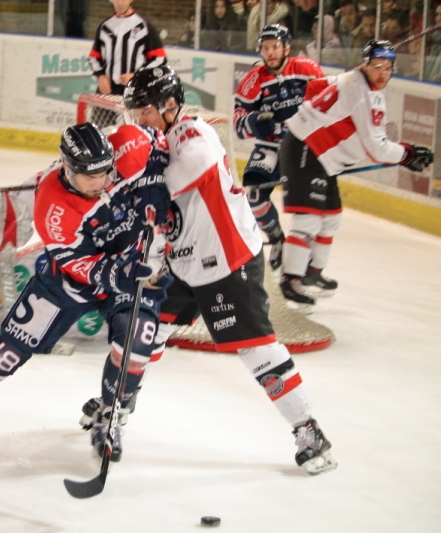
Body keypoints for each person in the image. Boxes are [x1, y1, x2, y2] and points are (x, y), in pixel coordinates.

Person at [114, 65, 338, 476]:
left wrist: (143, 181)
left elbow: (187, 170)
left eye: (143, 111)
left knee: (256, 349)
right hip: (182, 262)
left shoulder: (195, 133)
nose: (138, 120)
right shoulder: (160, 141)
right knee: (146, 327)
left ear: (168, 105)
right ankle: (120, 402)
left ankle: (308, 430)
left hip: (227, 262)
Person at [0, 122, 173, 463]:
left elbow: (158, 138)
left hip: (131, 267)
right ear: (66, 166)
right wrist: (124, 274)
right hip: (70, 283)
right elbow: (81, 267)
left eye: (104, 173)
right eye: (88, 176)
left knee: (135, 345)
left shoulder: (123, 150)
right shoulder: (52, 205)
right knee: (5, 354)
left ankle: (110, 416)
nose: (99, 183)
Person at [278, 40, 434, 305]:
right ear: (365, 65)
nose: (382, 73)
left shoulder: (351, 79)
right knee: (309, 221)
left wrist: (325, 112)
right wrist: (407, 153)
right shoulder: (364, 94)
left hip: (319, 155)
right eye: (376, 67)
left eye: (387, 67)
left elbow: (313, 88)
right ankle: (290, 279)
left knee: (331, 218)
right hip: (308, 150)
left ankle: (312, 273)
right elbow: (377, 149)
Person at [234, 25, 324, 271]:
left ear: (287, 48)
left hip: (304, 144)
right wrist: (254, 123)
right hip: (270, 145)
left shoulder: (307, 69)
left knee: (310, 207)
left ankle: (309, 260)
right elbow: (238, 125)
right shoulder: (252, 80)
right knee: (253, 194)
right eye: (265, 48)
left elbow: (327, 104)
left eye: (275, 46)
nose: (270, 52)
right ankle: (277, 239)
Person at [88, 0, 166, 98]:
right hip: (106, 90)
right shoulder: (104, 27)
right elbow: (94, 57)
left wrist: (137, 76)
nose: (120, 3)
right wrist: (100, 76)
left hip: (135, 90)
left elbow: (160, 59)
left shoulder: (144, 26)